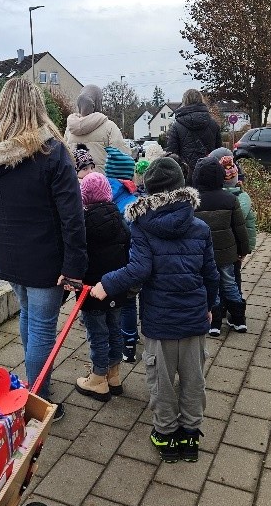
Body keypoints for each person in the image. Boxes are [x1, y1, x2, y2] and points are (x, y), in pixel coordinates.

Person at [0, 78, 87, 421]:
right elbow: (72, 216)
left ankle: (33, 386)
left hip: (5, 254)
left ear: (1, 104)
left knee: (28, 315)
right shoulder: (51, 152)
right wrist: (75, 267)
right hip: (45, 258)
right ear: (37, 107)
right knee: (42, 326)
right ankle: (37, 400)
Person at [90, 157, 220, 463]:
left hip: (160, 323)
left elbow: (138, 269)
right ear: (182, 187)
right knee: (193, 380)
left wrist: (106, 284)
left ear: (149, 191)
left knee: (161, 382)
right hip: (194, 320)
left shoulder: (141, 226)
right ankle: (190, 435)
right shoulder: (200, 227)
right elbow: (211, 275)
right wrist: (208, 307)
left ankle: (165, 435)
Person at [75, 172, 131, 402]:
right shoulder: (120, 219)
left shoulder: (82, 223)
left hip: (91, 291)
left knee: (97, 334)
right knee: (115, 329)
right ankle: (114, 375)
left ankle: (98, 378)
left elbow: (77, 257)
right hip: (117, 287)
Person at [192, 156, 251, 337]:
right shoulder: (230, 199)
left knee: (211, 287)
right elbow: (239, 228)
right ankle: (239, 319)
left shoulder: (193, 201)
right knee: (230, 283)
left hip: (203, 254)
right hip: (227, 253)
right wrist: (243, 250)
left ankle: (215, 323)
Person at [209, 148, 257, 304]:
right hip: (236, 246)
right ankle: (234, 305)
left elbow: (237, 220)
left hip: (234, 247)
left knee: (231, 277)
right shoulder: (241, 196)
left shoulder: (235, 199)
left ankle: (233, 306)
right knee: (232, 276)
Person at [65, 84, 132, 171]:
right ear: (98, 102)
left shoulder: (69, 129)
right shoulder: (109, 127)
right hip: (102, 179)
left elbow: (65, 158)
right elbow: (122, 159)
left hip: (75, 179)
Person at [166, 89, 222, 180]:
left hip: (186, 175)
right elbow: (219, 152)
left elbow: (172, 156)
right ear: (201, 100)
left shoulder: (176, 126)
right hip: (210, 174)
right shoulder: (213, 124)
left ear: (185, 101)